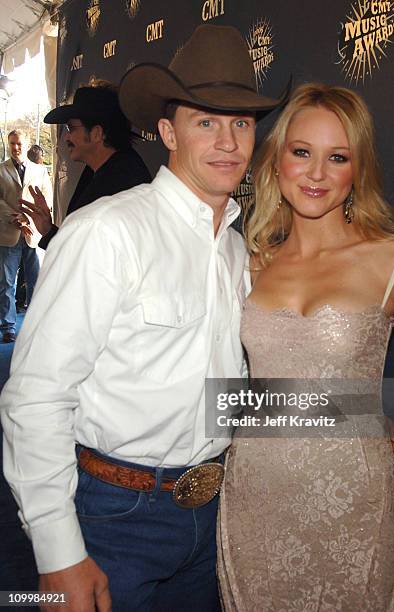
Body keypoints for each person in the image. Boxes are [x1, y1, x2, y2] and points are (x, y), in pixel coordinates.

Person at [1, 25, 289, 612]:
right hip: (112, 519)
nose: (228, 140)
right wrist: (58, 555)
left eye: (240, 123)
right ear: (167, 132)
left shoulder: (238, 250)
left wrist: (358, 414)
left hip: (214, 515)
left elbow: (218, 397)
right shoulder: (107, 233)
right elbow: (35, 398)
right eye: (206, 121)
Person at [218, 83, 394, 611]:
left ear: (358, 170)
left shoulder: (392, 263)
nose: (317, 173)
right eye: (302, 152)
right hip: (256, 494)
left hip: (354, 500)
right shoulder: (247, 259)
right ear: (277, 160)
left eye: (338, 157)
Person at [19, 80, 151, 250]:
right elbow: (81, 249)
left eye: (71, 128)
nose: (66, 137)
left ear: (96, 133)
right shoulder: (105, 170)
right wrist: (47, 230)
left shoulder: (124, 182)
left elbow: (93, 259)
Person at [0, 129, 52, 342]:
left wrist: (28, 220)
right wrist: (17, 218)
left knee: (36, 281)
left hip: (34, 234)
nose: (15, 147)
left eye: (19, 143)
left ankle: (35, 325)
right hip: (8, 233)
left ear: (28, 144)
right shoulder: (0, 170)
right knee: (6, 283)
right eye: (12, 143)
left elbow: (46, 201)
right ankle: (8, 327)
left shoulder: (40, 172)